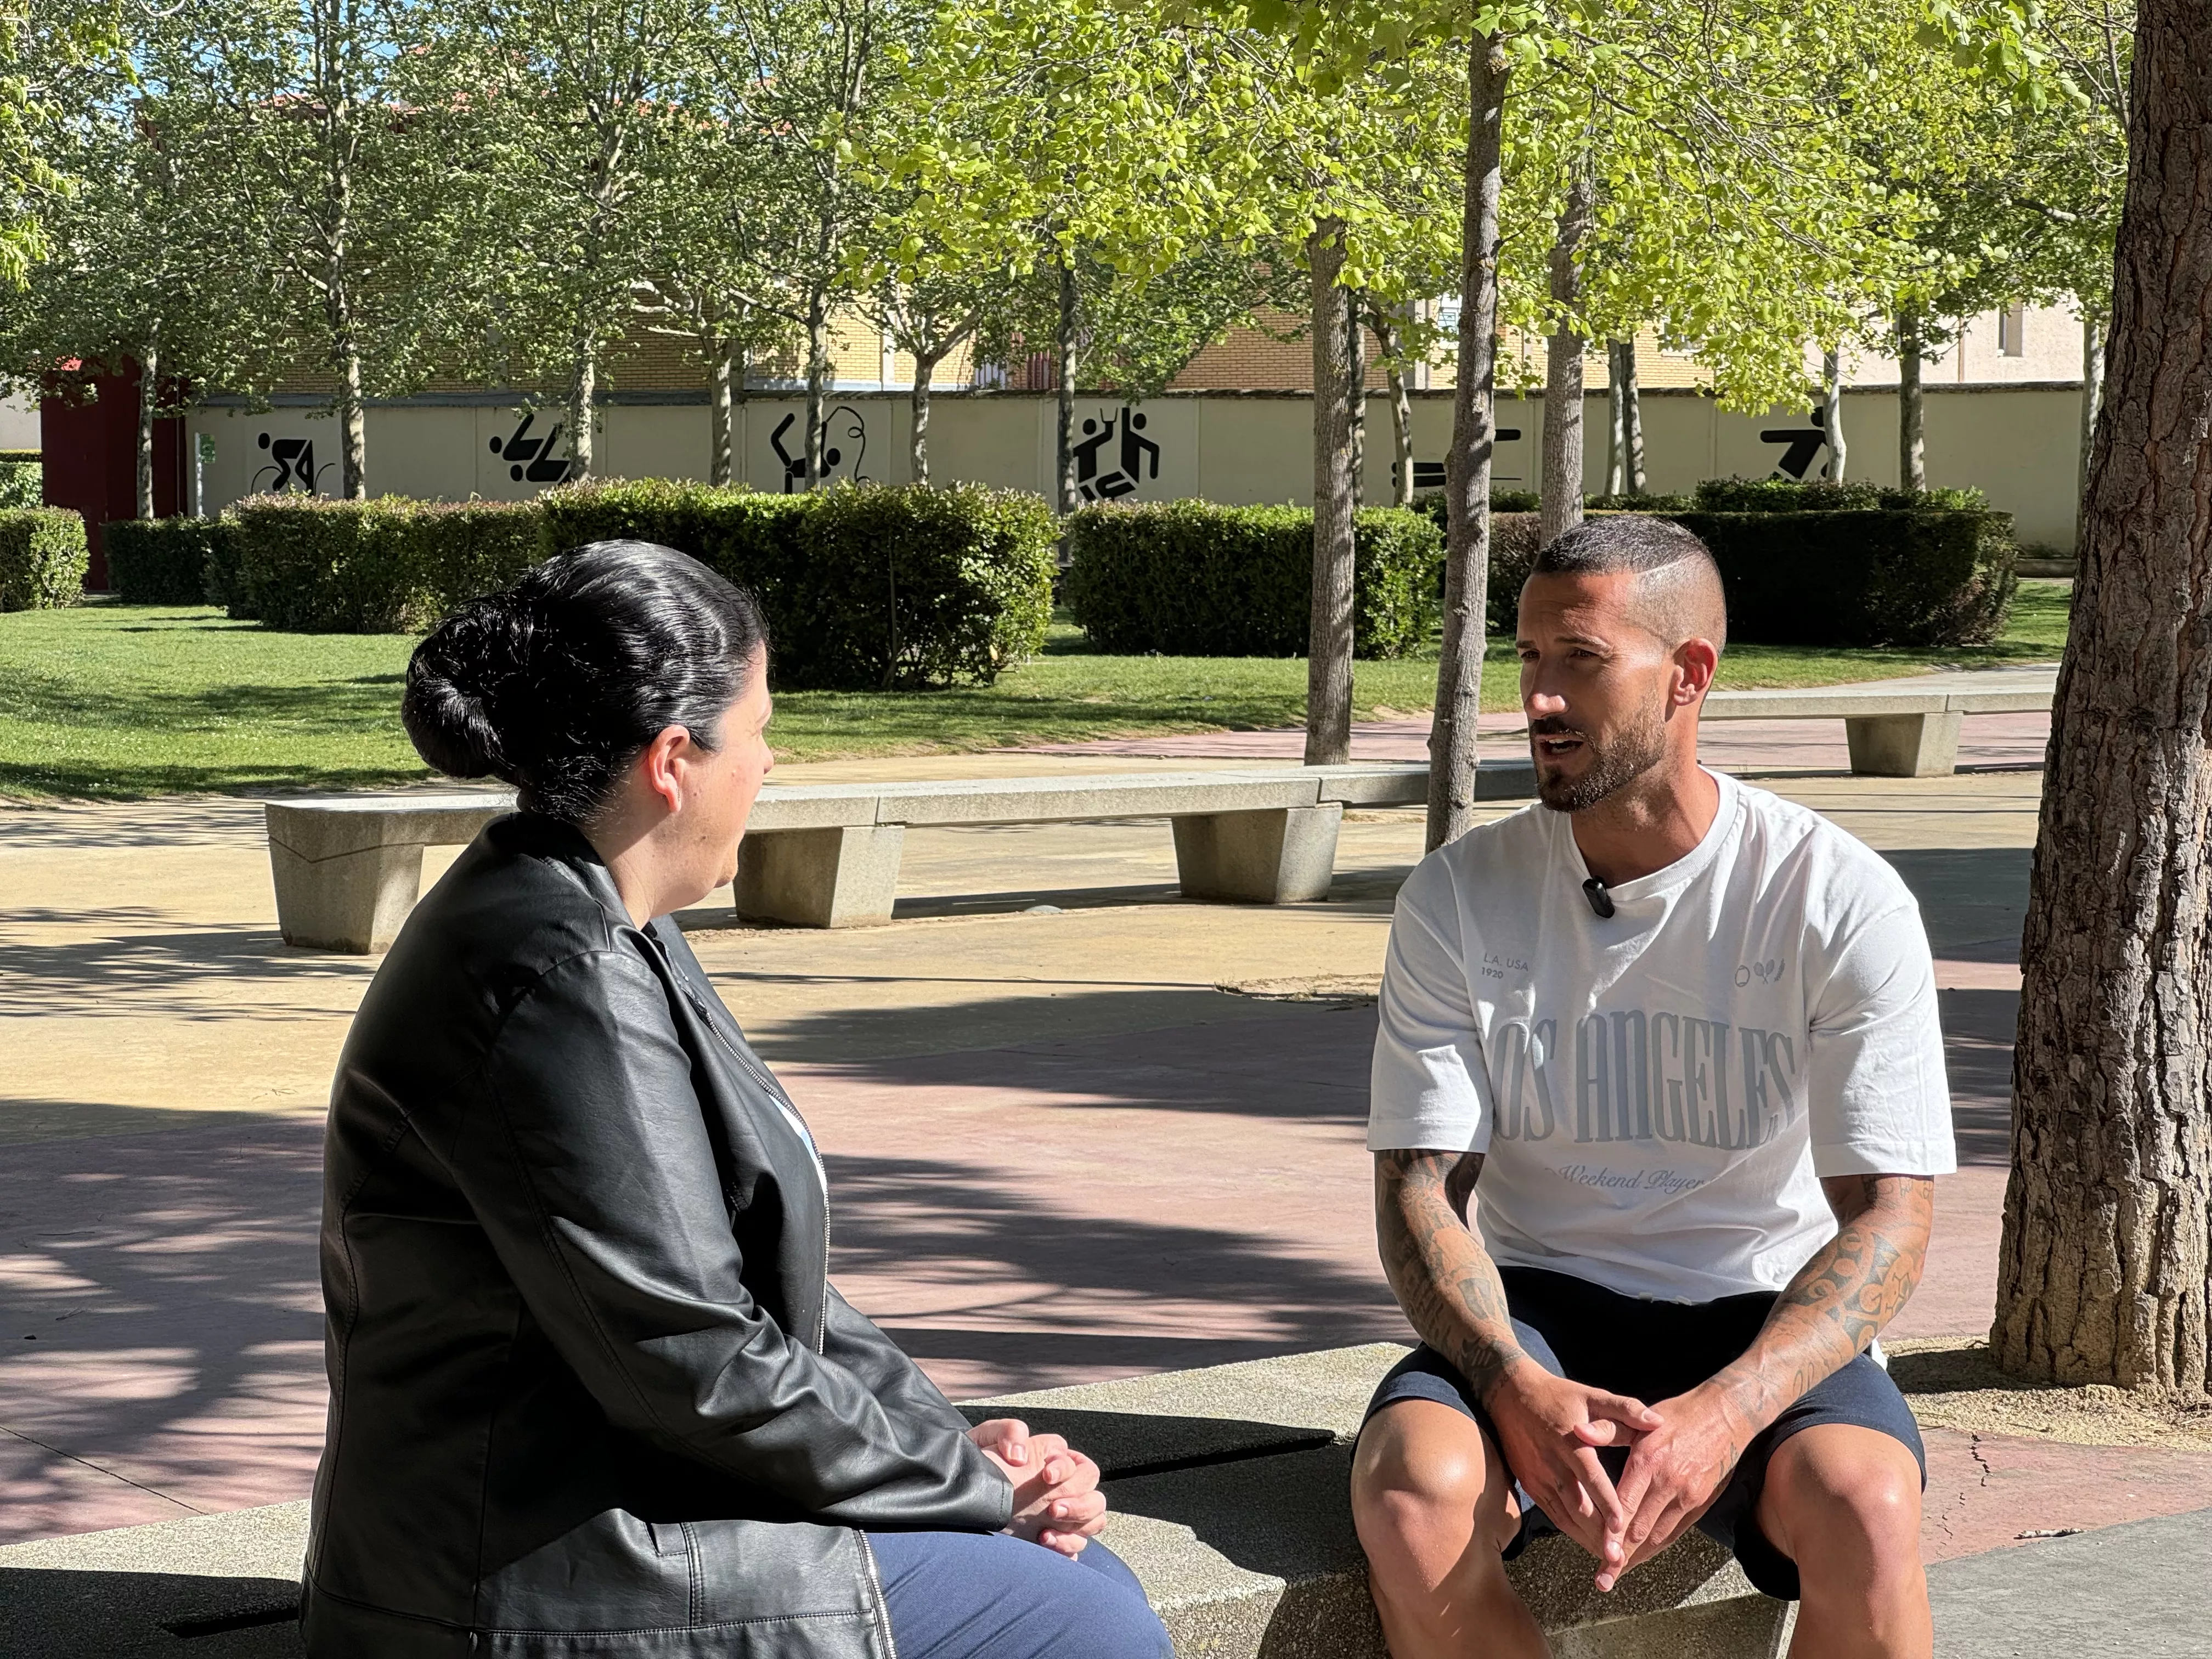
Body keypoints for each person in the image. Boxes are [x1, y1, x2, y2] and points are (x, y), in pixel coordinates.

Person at [301, 541, 1171, 1659]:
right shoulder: (555, 972)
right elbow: (692, 1355)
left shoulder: (593, 916)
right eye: (759, 733)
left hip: (603, 1509)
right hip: (536, 1573)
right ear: (675, 759)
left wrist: (952, 1445)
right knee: (1085, 1622)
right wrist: (966, 1484)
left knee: (1079, 1577)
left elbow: (760, 1290)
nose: (770, 763)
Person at [1350, 516, 1953, 1659]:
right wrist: (1512, 1381)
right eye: (1527, 659)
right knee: (1411, 1492)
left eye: (1581, 660)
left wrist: (1729, 1409)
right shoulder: (1459, 896)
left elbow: (1893, 1215)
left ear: (1688, 676)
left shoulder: (1833, 894)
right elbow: (1419, 1187)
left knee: (1868, 1510)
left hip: (1758, 1311)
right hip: (1543, 1310)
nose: (1537, 698)